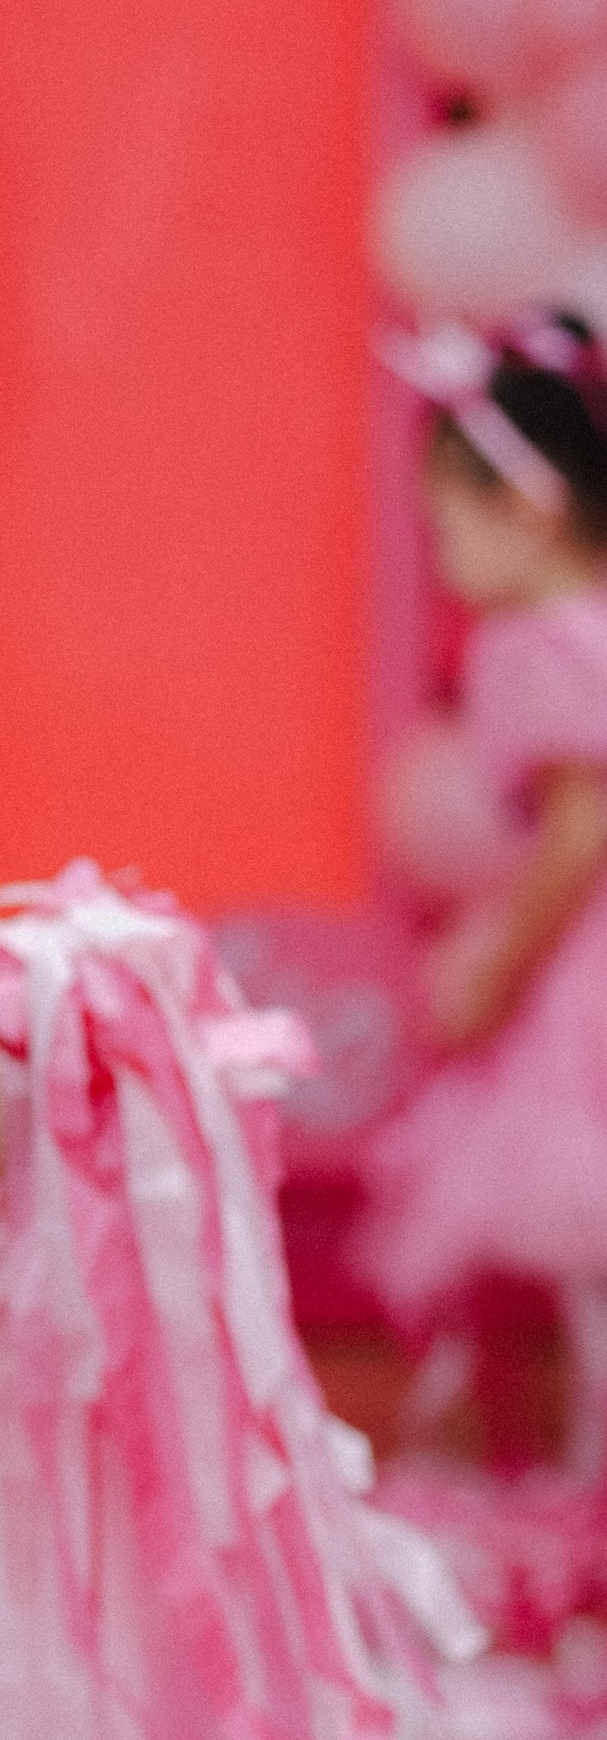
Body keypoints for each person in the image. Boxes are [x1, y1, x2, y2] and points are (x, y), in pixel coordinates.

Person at [362, 313, 607, 1478]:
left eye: (449, 522)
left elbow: (581, 829)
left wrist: (497, 963)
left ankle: (568, 1496)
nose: (443, 554)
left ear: (533, 507)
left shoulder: (531, 645)